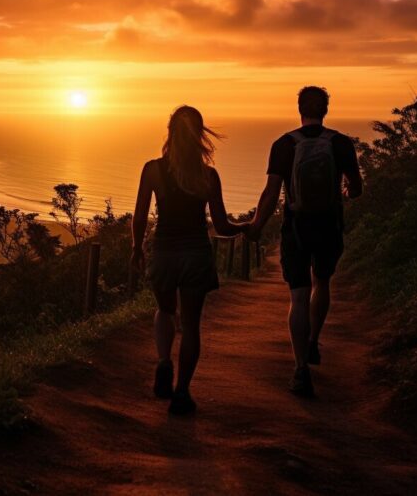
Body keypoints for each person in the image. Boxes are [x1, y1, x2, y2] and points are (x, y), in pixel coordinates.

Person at [131, 105, 248, 415]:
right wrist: (246, 228)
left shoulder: (153, 170)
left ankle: (163, 362)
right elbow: (221, 227)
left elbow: (140, 216)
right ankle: (182, 393)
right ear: (199, 136)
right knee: (192, 326)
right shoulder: (208, 175)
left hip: (164, 253)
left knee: (165, 310)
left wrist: (135, 248)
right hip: (196, 254)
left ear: (170, 133)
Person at [247, 86, 363, 397]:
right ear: (326, 109)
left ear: (299, 108)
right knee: (322, 282)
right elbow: (356, 189)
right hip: (328, 224)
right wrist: (343, 194)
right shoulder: (340, 144)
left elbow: (271, 194)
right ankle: (313, 342)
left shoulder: (284, 145)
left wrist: (257, 225)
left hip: (296, 227)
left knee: (298, 296)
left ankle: (300, 368)